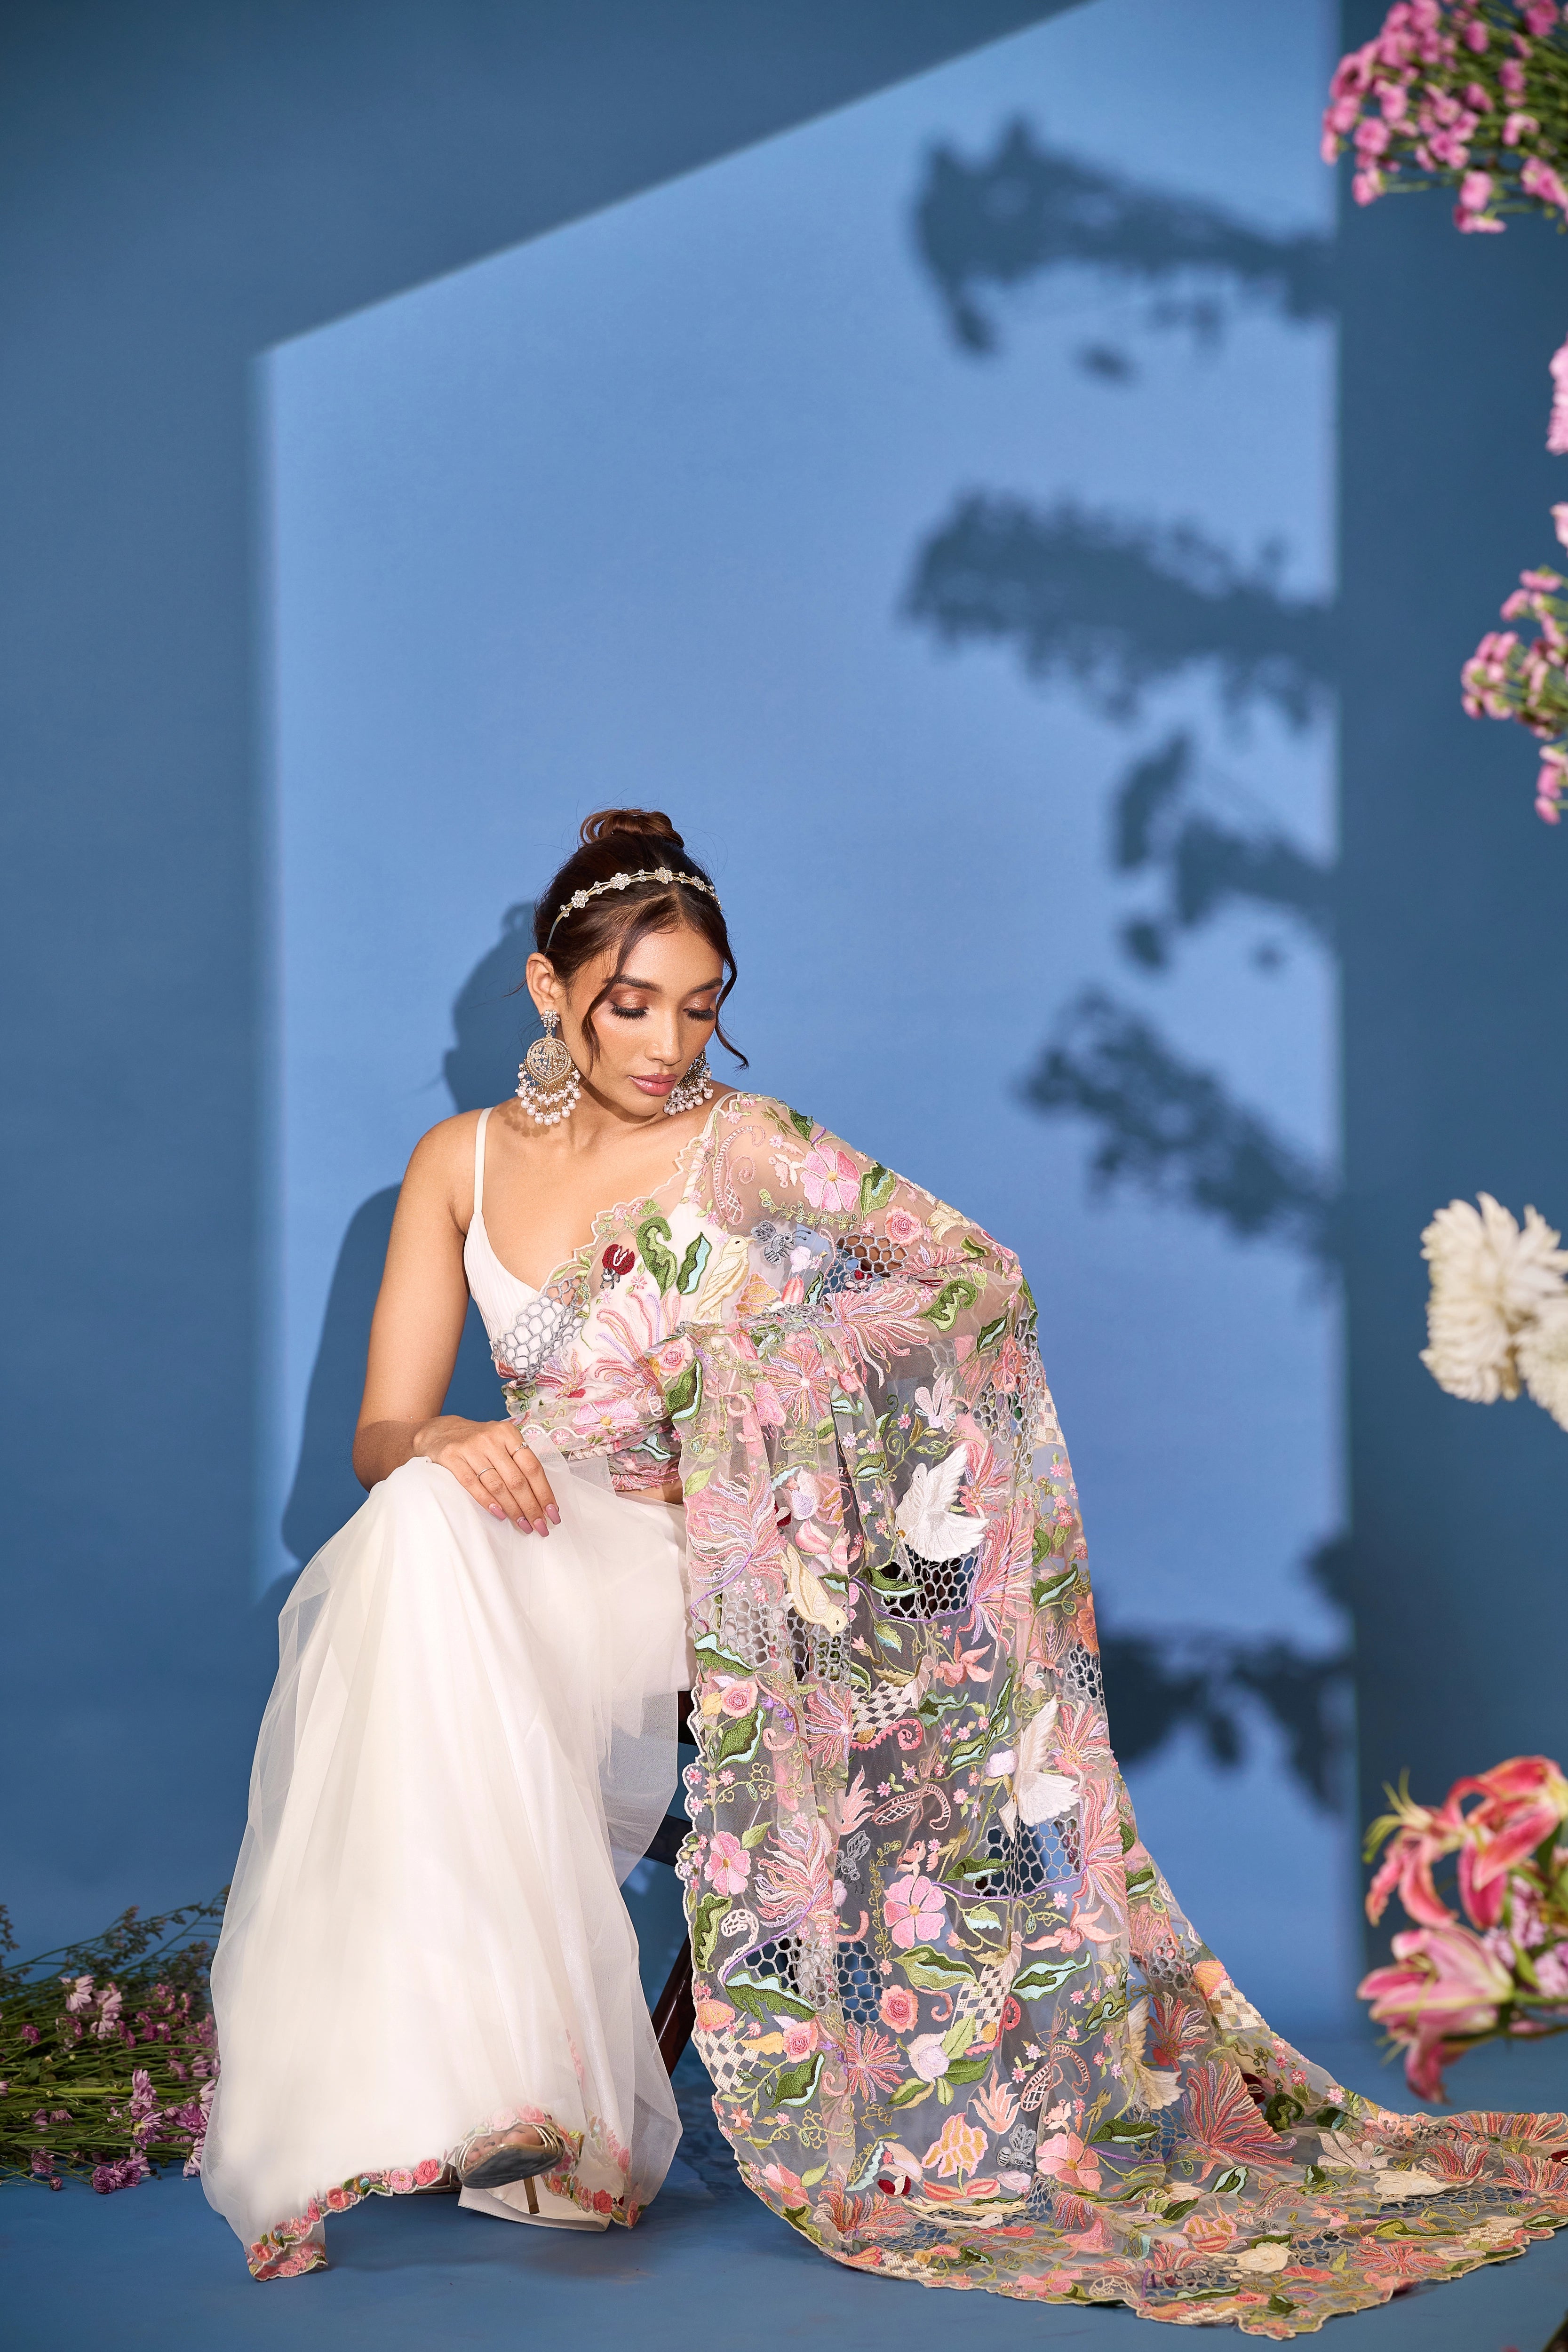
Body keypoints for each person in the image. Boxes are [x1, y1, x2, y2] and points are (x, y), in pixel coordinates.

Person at [205, 809, 1568, 2331]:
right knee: (409, 1531)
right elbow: (380, 1433)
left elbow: (982, 1288)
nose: (671, 1044)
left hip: (700, 1567)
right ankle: (377, 2115)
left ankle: (538, 2112)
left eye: (703, 1004)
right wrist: (451, 1434)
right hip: (510, 1543)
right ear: (549, 991)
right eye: (633, 1005)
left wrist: (741, 1388)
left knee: (420, 1571)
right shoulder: (453, 1162)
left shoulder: (752, 1148)